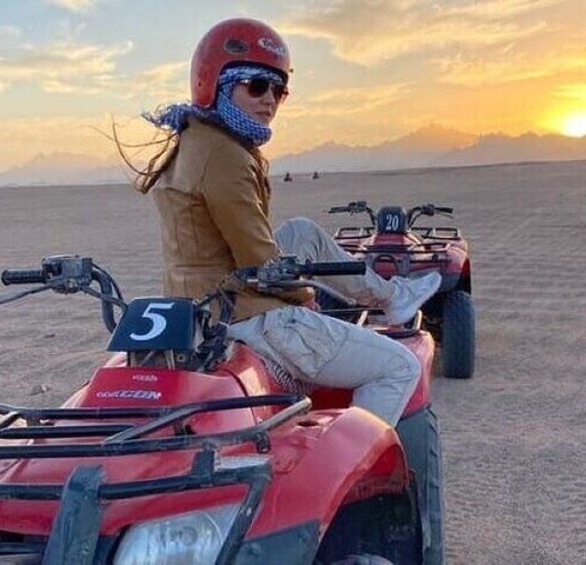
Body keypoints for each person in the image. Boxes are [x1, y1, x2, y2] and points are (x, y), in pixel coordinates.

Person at [124, 18, 440, 427]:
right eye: (256, 86)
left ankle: (391, 297)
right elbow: (259, 262)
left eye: (279, 90)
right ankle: (349, 454)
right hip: (247, 314)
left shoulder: (195, 137)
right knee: (398, 366)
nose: (269, 100)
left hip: (202, 299)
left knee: (301, 232)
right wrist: (302, 298)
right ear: (216, 84)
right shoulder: (224, 155)